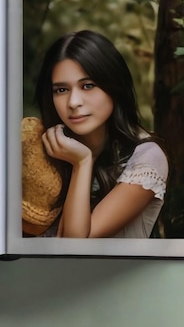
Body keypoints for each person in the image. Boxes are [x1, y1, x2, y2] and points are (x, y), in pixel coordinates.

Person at [34, 30, 168, 238]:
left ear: (114, 87)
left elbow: (76, 244)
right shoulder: (40, 150)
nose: (73, 102)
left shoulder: (146, 157)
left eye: (88, 86)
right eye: (61, 90)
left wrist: (82, 162)